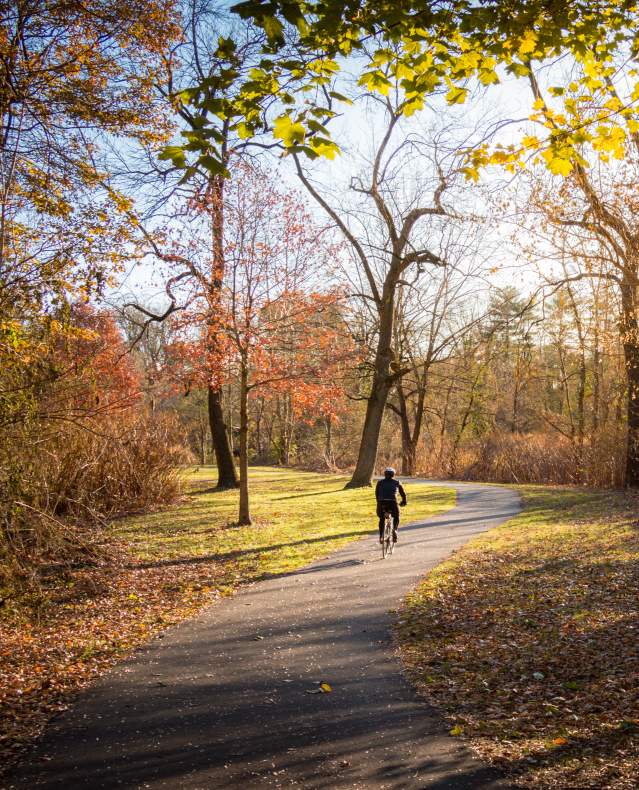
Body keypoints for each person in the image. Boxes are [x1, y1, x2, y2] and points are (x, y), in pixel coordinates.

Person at [375, 467, 407, 544]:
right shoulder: (397, 482)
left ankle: (381, 536)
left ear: (385, 474)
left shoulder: (379, 482)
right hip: (393, 502)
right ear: (393, 475)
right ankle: (395, 530)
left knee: (382, 519)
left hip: (382, 502)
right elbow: (403, 494)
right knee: (396, 516)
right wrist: (404, 501)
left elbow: (377, 494)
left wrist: (379, 503)